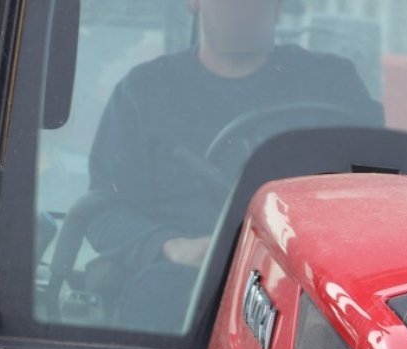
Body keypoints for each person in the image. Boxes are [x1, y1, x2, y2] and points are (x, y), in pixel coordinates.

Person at [86, 0, 384, 281]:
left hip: (303, 278)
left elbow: (376, 189)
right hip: (186, 283)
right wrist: (171, 246)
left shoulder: (331, 82)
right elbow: (103, 212)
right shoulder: (144, 91)